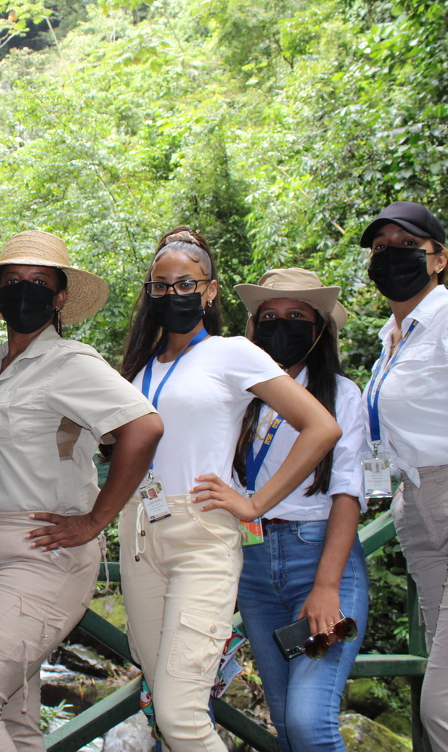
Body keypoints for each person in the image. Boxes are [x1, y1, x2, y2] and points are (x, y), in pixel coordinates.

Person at [0, 230, 164, 752]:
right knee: (13, 718)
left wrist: (93, 521)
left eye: (39, 283)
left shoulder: (70, 362)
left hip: (40, 552)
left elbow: (144, 427)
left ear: (60, 298)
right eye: (13, 282)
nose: (24, 291)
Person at [119, 228, 341, 752]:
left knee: (180, 716)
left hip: (200, 536)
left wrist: (256, 503)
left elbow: (321, 426)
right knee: (162, 701)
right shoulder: (141, 369)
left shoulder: (231, 352)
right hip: (138, 537)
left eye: (185, 284)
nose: (173, 295)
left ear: (211, 291)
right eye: (161, 285)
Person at [231, 268, 369, 752]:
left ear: (319, 330)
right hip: (252, 567)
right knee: (288, 727)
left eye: (296, 316)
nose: (280, 325)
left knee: (310, 724)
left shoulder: (340, 395)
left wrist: (326, 587)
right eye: (268, 316)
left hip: (318, 559)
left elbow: (348, 495)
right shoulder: (241, 398)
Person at [359, 201, 448, 750]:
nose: (390, 257)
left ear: (439, 259)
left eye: (407, 247)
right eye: (381, 249)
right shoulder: (394, 337)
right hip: (415, 506)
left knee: (440, 706)